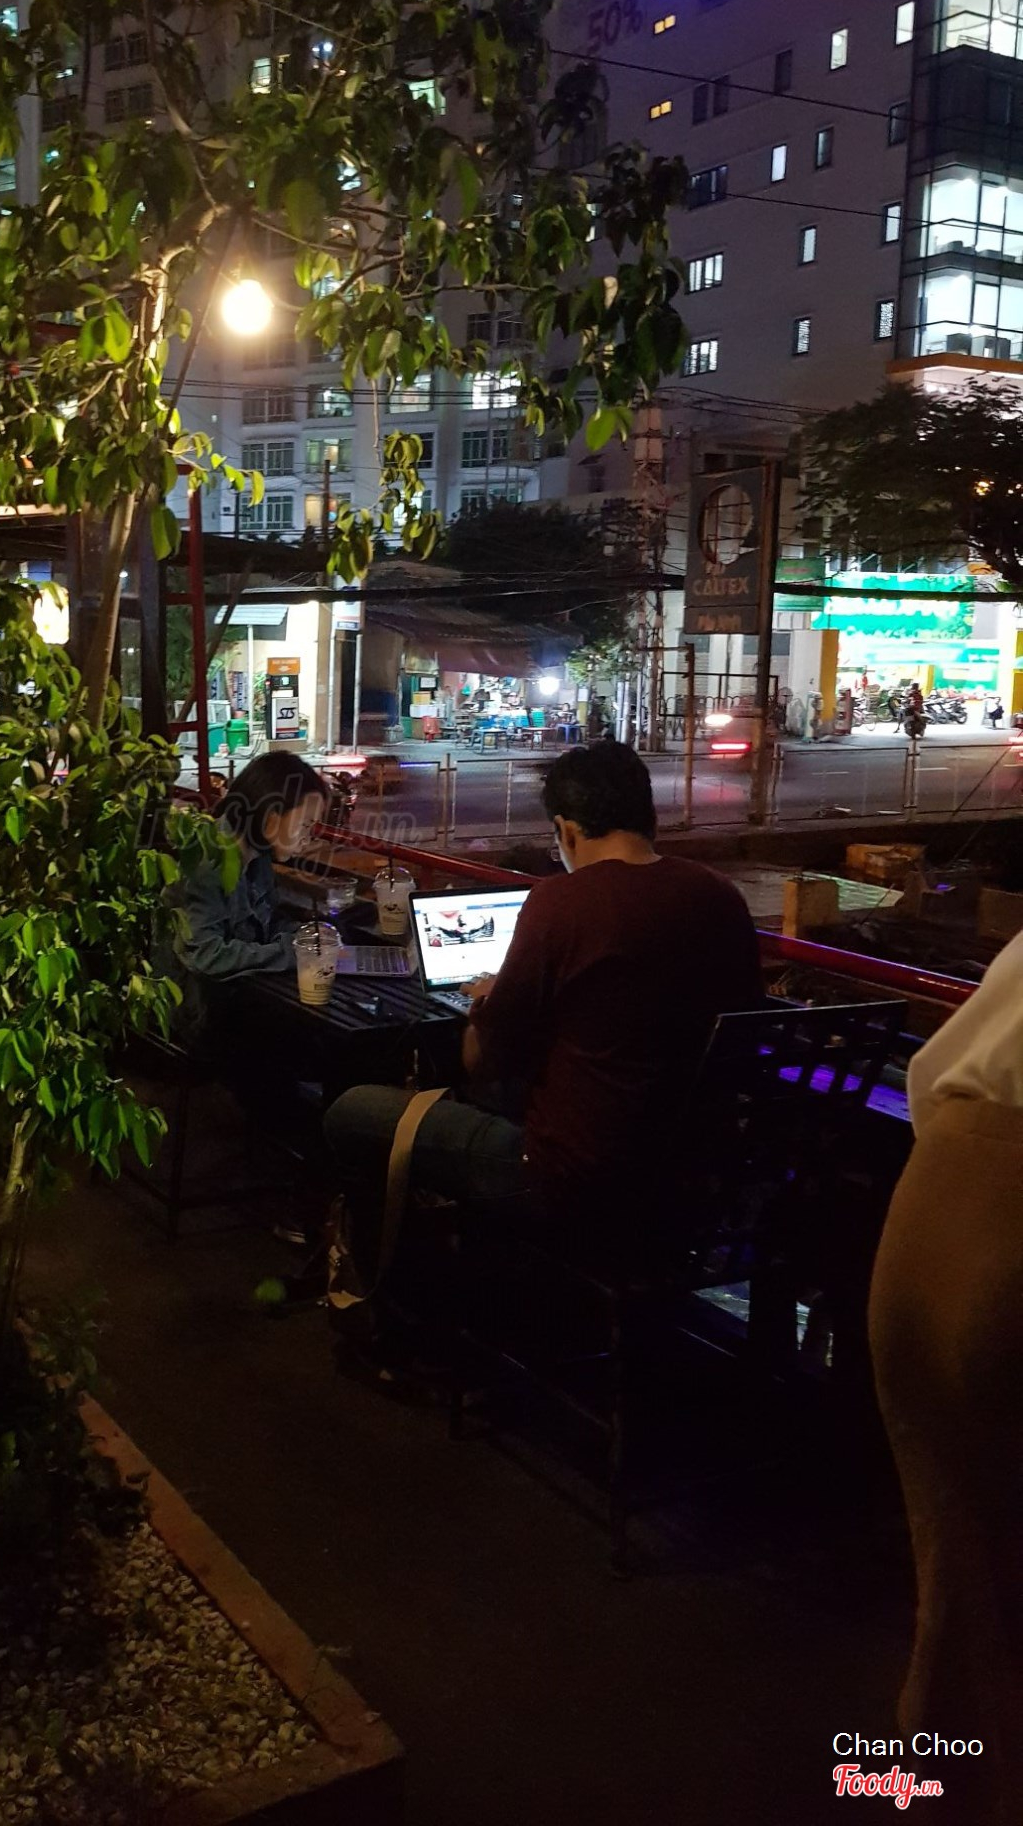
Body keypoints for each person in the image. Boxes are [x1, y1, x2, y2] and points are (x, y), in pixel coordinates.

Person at [324, 743, 765, 1322]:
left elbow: (483, 1062)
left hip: (568, 1180)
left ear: (566, 829)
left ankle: (404, 1311)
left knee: (353, 1112)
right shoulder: (719, 897)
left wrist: (489, 1002)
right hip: (693, 1176)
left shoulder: (562, 901)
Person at [867, 930, 1023, 1825]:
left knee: (964, 1588)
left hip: (943, 1201)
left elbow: (937, 1075)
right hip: (992, 1218)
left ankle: (920, 1786)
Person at [175, 751, 329, 994]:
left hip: (238, 993)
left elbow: (266, 923)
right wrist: (296, 952)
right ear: (271, 817)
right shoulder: (209, 860)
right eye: (305, 825)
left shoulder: (257, 854)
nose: (307, 838)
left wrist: (307, 938)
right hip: (200, 1006)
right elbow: (205, 956)